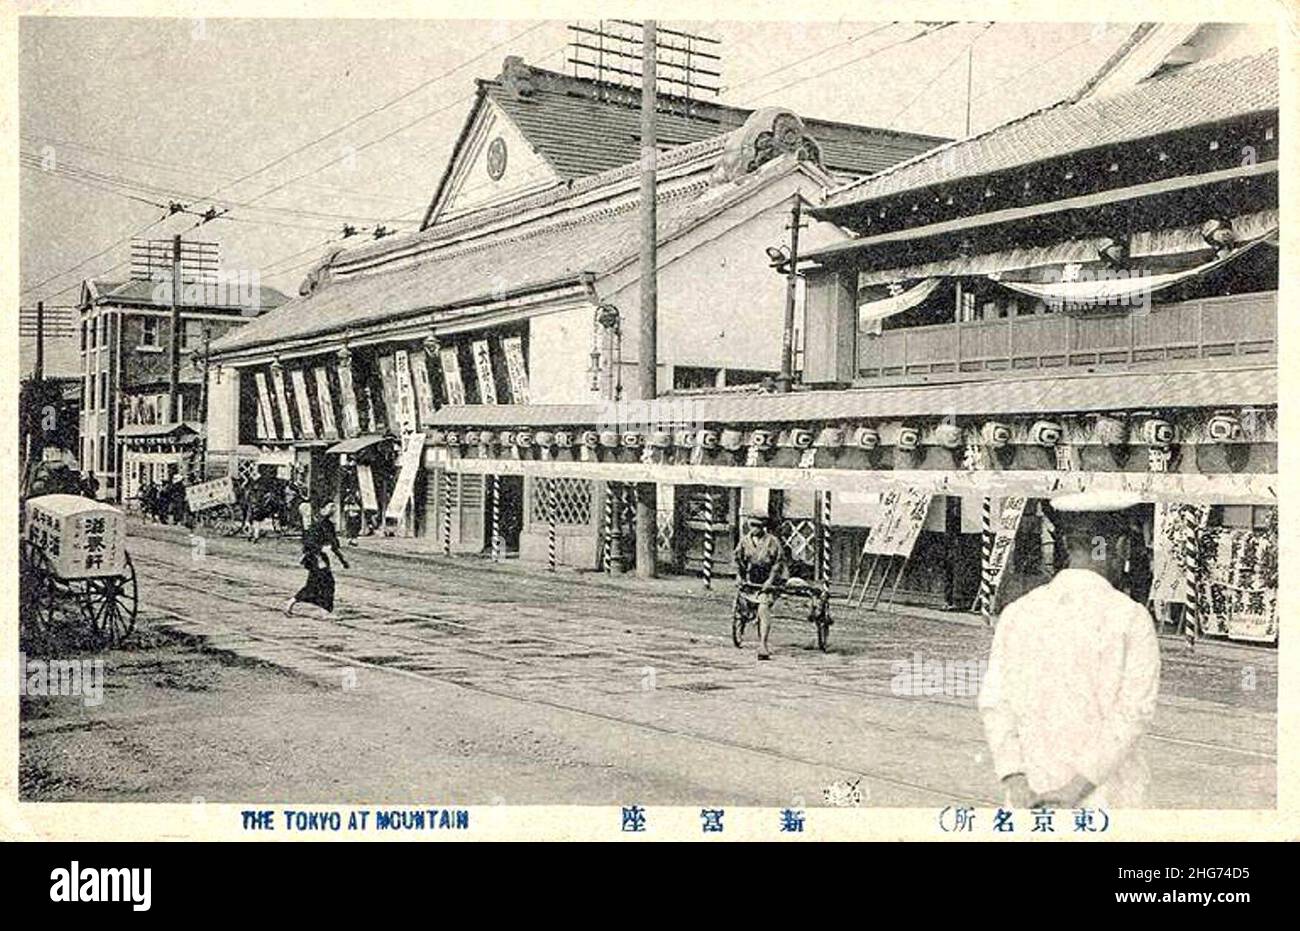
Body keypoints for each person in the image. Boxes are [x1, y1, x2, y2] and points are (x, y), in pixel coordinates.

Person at [978, 492, 1162, 809]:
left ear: (1065, 545)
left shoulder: (1018, 612)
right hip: (1103, 797)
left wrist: (1014, 778)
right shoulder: (1130, 618)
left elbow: (995, 701)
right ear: (1119, 547)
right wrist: (1075, 790)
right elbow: (1133, 713)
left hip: (1030, 794)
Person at [733, 513, 787, 660]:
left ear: (763, 526)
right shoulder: (744, 541)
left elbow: (778, 564)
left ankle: (763, 643)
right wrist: (739, 576)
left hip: (768, 581)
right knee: (743, 606)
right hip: (750, 581)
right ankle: (743, 625)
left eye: (758, 526)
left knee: (763, 609)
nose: (754, 529)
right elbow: (738, 561)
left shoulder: (772, 542)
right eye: (752, 525)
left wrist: (770, 581)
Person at [284, 503, 349, 618]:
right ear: (322, 509)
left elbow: (333, 544)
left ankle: (291, 603)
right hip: (316, 558)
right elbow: (309, 542)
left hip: (319, 558)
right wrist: (320, 550)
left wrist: (342, 560)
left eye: (333, 507)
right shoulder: (317, 523)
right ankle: (325, 611)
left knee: (314, 584)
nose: (332, 509)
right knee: (328, 583)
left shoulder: (327, 524)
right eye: (329, 507)